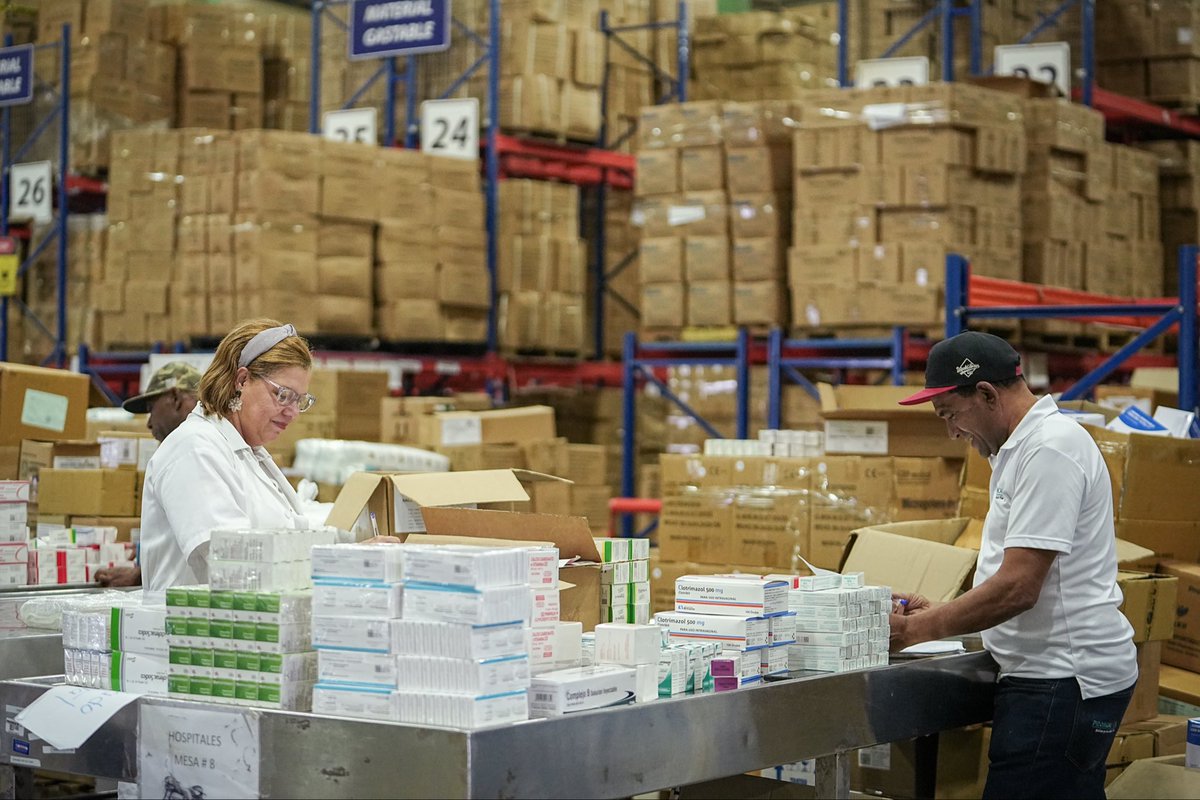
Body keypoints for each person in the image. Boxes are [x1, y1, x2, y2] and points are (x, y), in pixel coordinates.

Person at [888, 331, 1136, 799]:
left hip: (1063, 682)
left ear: (985, 394)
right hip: (1055, 678)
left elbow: (1019, 587)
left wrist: (916, 632)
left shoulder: (1049, 450)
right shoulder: (1021, 449)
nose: (952, 433)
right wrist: (940, 613)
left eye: (950, 415)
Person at [140, 320, 325, 592]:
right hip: (193, 630)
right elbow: (232, 563)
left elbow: (292, 538)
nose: (293, 412)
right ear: (242, 380)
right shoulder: (194, 449)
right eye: (284, 395)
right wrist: (333, 564)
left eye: (300, 401)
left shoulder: (249, 454)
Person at [95, 363, 203, 588]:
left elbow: (200, 543)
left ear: (174, 398)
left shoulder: (189, 452)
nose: (149, 422)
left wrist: (142, 576)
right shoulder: (194, 448)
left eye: (152, 409)